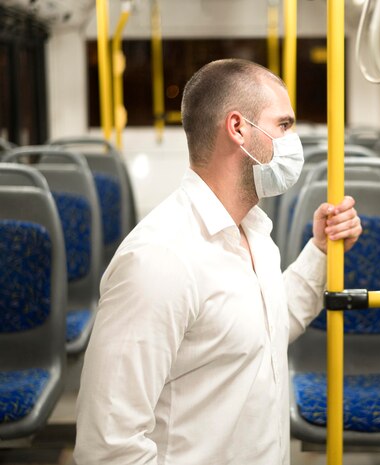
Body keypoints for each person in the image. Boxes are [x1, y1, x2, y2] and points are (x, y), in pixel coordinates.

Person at [73, 58, 362, 464]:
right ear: (238, 128)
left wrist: (319, 250)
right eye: (284, 125)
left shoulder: (254, 234)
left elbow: (267, 327)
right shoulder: (159, 260)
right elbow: (108, 446)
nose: (293, 141)